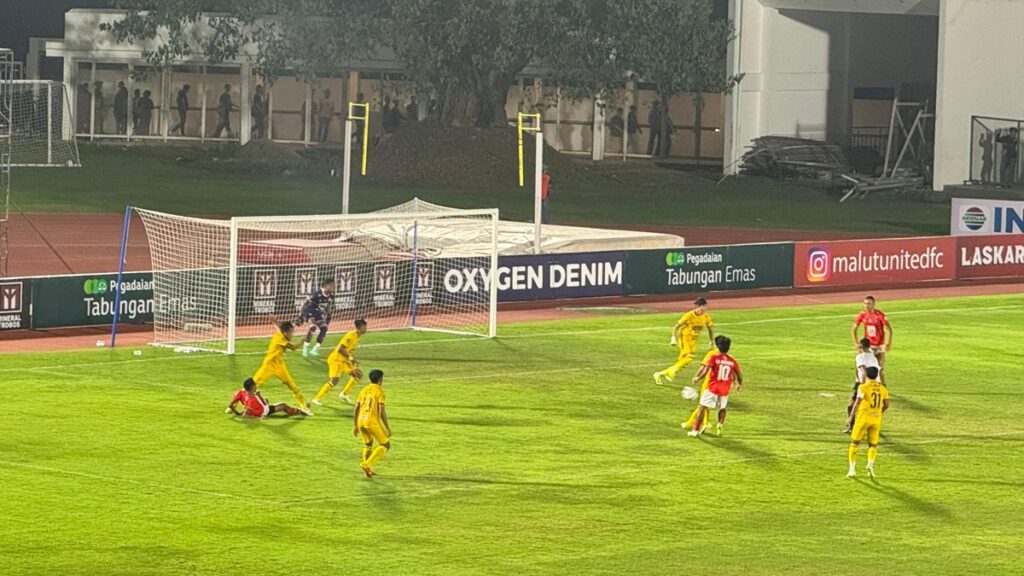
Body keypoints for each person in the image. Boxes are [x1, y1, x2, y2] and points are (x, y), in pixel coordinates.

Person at [249, 316, 313, 415]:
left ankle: (304, 407)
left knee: (293, 386)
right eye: (291, 332)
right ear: (285, 333)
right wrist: (302, 341)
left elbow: (280, 328)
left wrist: (275, 322)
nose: (293, 334)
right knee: (252, 384)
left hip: (280, 365)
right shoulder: (279, 338)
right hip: (269, 365)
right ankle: (235, 402)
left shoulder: (282, 333)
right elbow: (292, 347)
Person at [688, 336, 743, 437]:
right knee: (722, 408)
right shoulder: (732, 361)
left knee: (702, 407)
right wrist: (739, 384)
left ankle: (695, 430)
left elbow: (705, 370)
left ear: (718, 346)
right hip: (725, 388)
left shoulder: (714, 358)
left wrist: (698, 378)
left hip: (713, 387)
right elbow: (739, 374)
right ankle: (720, 424)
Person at [653, 297, 715, 385]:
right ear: (698, 306)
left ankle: (660, 374)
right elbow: (676, 326)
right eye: (703, 306)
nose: (704, 308)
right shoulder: (689, 315)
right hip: (685, 338)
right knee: (690, 357)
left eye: (705, 306)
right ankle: (671, 371)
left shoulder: (706, 316)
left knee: (682, 362)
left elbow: (710, 328)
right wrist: (673, 338)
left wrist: (711, 341)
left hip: (694, 340)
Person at [845, 366, 890, 479]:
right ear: (877, 375)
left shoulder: (863, 387)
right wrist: (879, 412)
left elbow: (857, 402)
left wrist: (851, 417)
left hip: (863, 418)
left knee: (854, 443)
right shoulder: (883, 389)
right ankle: (870, 465)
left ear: (867, 375)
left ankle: (852, 470)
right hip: (876, 419)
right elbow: (887, 405)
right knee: (873, 445)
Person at [313, 318, 368, 405]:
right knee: (334, 381)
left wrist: (353, 360)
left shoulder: (357, 337)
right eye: (365, 326)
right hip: (336, 360)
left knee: (358, 374)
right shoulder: (351, 335)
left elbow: (348, 350)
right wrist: (351, 358)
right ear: (360, 327)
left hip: (343, 360)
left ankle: (344, 394)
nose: (366, 328)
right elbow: (340, 349)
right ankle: (317, 399)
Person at [681, 335, 727, 431]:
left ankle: (691, 423)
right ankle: (706, 423)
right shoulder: (726, 357)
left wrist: (697, 376)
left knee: (702, 404)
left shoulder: (712, 354)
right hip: (721, 384)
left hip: (709, 382)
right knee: (706, 405)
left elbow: (703, 367)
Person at [354, 369, 392, 478]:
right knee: (385, 445)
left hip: (360, 420)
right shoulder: (379, 391)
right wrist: (387, 427)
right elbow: (381, 411)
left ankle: (367, 470)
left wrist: (355, 425)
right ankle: (366, 464)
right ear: (380, 380)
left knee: (368, 444)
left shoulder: (363, 390)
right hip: (371, 421)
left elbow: (356, 407)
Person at [845, 338, 881, 433]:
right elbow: (879, 371)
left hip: (864, 383)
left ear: (860, 347)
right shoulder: (873, 358)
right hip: (876, 384)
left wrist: (863, 385)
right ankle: (872, 426)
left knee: (852, 405)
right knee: (871, 407)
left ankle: (851, 427)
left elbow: (863, 370)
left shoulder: (860, 357)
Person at [851, 295, 892, 379]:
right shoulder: (862, 314)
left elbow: (889, 330)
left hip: (879, 345)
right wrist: (856, 342)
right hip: (867, 345)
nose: (867, 306)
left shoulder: (879, 315)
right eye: (865, 304)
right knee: (860, 365)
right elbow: (854, 328)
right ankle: (858, 383)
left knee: (879, 367)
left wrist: (887, 344)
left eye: (869, 304)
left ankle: (880, 386)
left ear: (874, 304)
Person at [295, 279, 335, 358]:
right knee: (312, 327)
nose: (333, 288)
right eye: (331, 286)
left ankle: (315, 349)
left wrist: (329, 315)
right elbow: (305, 302)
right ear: (326, 286)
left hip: (319, 314)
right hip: (310, 311)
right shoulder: (317, 293)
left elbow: (329, 307)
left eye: (333, 286)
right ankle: (306, 346)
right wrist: (300, 316)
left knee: (324, 328)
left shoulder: (331, 296)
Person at [225, 378, 301, 418]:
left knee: (267, 400)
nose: (256, 386)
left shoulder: (240, 392)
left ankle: (295, 411)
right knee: (283, 405)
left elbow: (230, 404)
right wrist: (259, 418)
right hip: (264, 411)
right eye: (255, 386)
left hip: (259, 407)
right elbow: (245, 415)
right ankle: (299, 411)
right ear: (251, 388)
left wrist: (236, 412)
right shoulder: (251, 400)